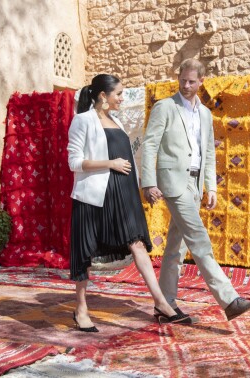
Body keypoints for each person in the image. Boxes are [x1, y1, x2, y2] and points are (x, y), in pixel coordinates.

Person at [67, 74, 191, 332]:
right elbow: (74, 162)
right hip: (95, 196)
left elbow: (129, 160)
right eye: (119, 94)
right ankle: (80, 309)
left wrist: (142, 186)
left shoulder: (117, 121)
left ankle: (161, 304)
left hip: (124, 194)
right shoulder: (83, 121)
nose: (123, 99)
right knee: (85, 252)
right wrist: (110, 163)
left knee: (137, 245)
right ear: (103, 96)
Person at [141, 59, 250, 321]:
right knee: (200, 241)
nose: (185, 85)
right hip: (173, 184)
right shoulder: (165, 107)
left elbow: (208, 150)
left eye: (191, 81)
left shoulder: (205, 113)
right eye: (182, 80)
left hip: (194, 185)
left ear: (201, 82)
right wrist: (148, 182)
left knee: (175, 249)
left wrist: (211, 186)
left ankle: (165, 305)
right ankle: (229, 300)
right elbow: (150, 145)